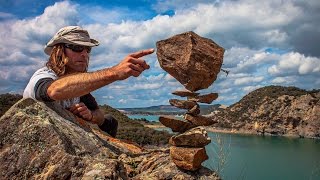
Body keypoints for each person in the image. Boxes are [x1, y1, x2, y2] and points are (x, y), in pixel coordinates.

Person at [23, 26, 154, 137]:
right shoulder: (43, 76)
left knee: (111, 122)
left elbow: (100, 116)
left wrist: (90, 115)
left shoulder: (79, 89)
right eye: (77, 47)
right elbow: (53, 90)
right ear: (58, 51)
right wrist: (114, 73)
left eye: (88, 49)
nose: (85, 54)